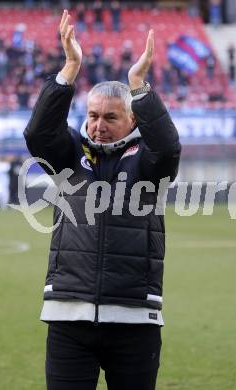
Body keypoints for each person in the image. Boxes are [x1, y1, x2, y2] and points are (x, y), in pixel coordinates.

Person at [24, 10, 181, 390]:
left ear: (132, 120)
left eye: (110, 117)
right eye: (93, 115)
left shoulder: (147, 161)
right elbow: (38, 135)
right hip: (68, 315)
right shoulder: (68, 154)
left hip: (134, 318)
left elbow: (168, 147)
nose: (98, 125)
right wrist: (69, 70)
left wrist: (139, 86)